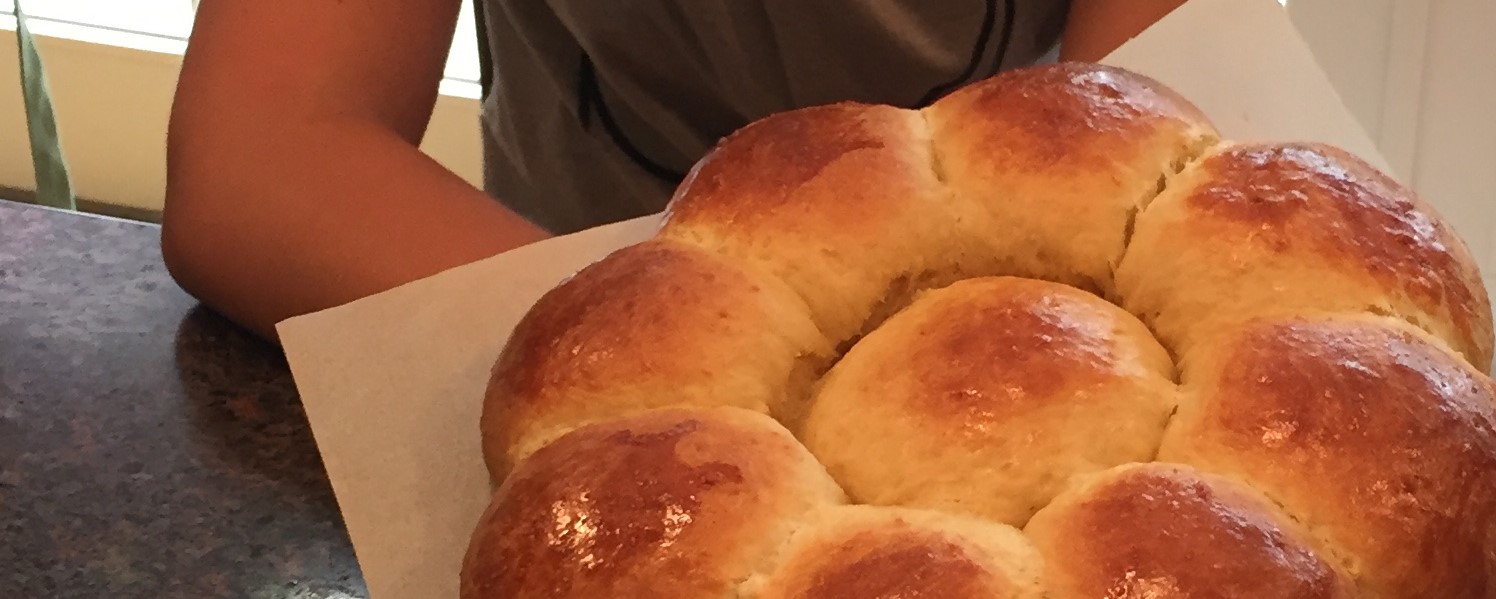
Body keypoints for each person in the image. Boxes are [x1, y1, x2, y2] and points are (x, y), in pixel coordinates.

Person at [161, 0, 1185, 338]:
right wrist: (702, 362)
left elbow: (1136, 145)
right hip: (552, 286)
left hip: (1010, 321)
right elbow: (262, 160)